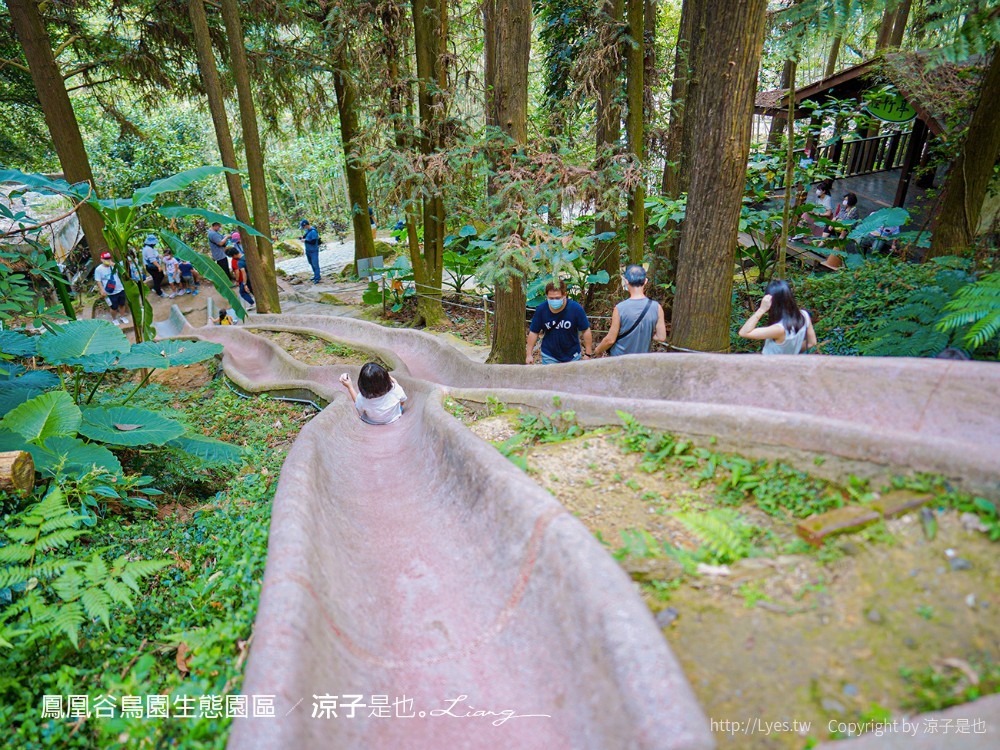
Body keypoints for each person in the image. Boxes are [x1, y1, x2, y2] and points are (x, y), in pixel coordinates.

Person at [593, 264, 667, 357]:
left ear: (626, 281)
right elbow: (661, 337)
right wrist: (645, 334)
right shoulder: (656, 307)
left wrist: (597, 350)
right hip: (642, 360)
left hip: (619, 360)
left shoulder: (620, 308)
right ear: (645, 281)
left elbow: (610, 340)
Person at [738, 279, 817, 355]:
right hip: (787, 363)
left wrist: (761, 310)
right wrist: (792, 352)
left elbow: (744, 332)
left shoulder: (778, 329)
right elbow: (812, 342)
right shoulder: (804, 315)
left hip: (769, 365)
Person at [526, 279, 593, 364]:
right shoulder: (541, 310)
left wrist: (588, 354)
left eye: (557, 298)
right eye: (551, 298)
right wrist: (529, 354)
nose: (554, 301)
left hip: (572, 355)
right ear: (546, 296)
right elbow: (534, 332)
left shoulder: (575, 309)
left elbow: (586, 330)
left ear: (564, 295)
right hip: (549, 355)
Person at [339, 363, 407, 425]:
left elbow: (360, 410)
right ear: (386, 379)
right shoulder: (395, 389)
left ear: (362, 383)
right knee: (396, 386)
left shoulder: (361, 398)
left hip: (372, 421)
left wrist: (350, 387)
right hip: (394, 417)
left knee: (362, 410)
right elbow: (402, 402)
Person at [94, 252, 130, 326]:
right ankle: (114, 319)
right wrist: (102, 290)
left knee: (122, 304)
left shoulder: (115, 266)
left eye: (108, 258)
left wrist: (115, 266)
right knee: (113, 307)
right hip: (110, 292)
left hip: (120, 288)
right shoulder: (99, 269)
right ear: (101, 259)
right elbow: (98, 280)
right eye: (105, 259)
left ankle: (122, 317)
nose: (107, 260)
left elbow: (123, 272)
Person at [300, 219, 321, 283]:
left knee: (315, 264)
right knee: (311, 263)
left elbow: (313, 241)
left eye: (303, 227)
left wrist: (305, 240)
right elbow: (306, 236)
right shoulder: (308, 230)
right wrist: (302, 237)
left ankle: (317, 277)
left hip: (313, 251)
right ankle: (315, 275)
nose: (303, 229)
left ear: (306, 225)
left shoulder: (313, 231)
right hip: (308, 250)